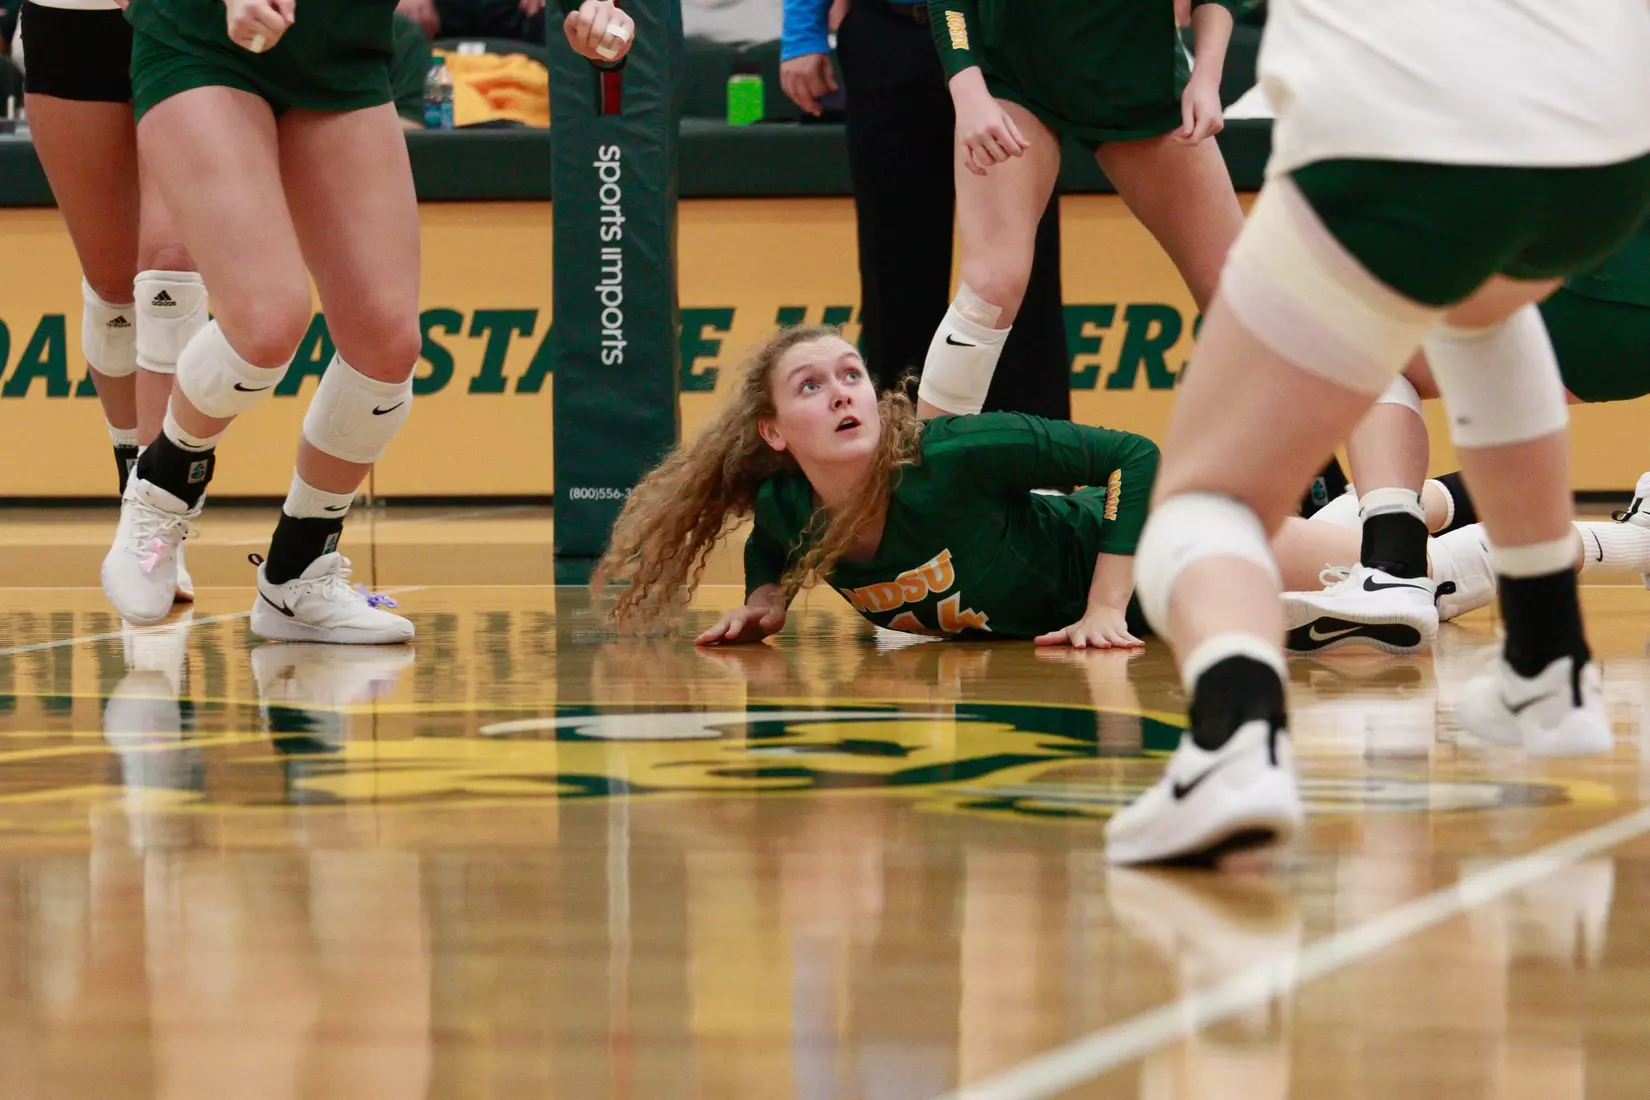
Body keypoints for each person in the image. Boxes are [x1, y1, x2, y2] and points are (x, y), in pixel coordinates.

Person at [1112, 0, 1650, 866]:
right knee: (1481, 314)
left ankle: (1237, 737)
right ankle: (1550, 666)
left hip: (1405, 135)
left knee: (1198, 502)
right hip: (1606, 153)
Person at [100, 0, 634, 640]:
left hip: (342, 45)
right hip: (203, 37)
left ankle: (298, 573)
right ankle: (160, 491)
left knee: (386, 343)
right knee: (267, 323)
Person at [592, 327, 1496, 645]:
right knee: (1348, 553)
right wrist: (765, 604)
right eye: (811, 386)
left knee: (1388, 585)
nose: (842, 393)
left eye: (851, 375)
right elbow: (769, 543)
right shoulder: (790, 508)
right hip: (1139, 599)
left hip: (1161, 546)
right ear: (773, 434)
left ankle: (1612, 535)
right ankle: (1458, 487)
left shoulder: (952, 456)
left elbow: (1131, 458)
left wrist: (1105, 606)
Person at [1288, 221, 1650, 651]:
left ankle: (1400, 559)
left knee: (1364, 346)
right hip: (1616, 283)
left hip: (1608, 271)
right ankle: (1418, 539)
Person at [913, 0, 1242, 420]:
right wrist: (968, 89)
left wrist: (1207, 78)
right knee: (990, 288)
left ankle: (1327, 482)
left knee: (1240, 298)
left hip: (1137, 76)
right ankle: (927, 476)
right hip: (1011, 73)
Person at [780, 0, 1072, 419]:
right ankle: (899, 463)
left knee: (1023, 270)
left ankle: (1038, 465)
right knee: (895, 268)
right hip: (891, 27)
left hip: (1002, 37)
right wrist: (802, 30)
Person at [20, 0, 206, 603]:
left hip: (190, 19)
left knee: (172, 269)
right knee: (112, 286)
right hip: (73, 15)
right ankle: (133, 483)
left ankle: (160, 518)